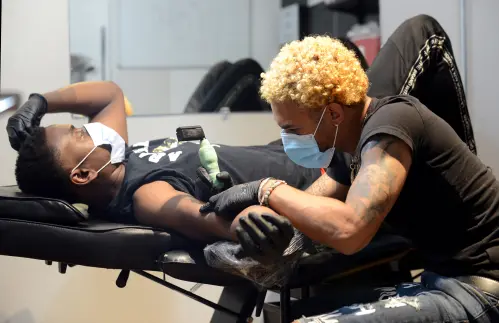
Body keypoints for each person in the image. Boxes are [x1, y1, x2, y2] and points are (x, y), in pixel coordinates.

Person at [200, 15, 499, 322]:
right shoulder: (350, 151)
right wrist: (250, 224)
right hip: (439, 282)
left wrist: (266, 189)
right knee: (280, 315)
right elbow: (305, 213)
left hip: (481, 291)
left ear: (333, 113)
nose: (287, 139)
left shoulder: (392, 125)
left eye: (292, 129)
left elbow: (350, 230)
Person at [7, 81, 328, 257]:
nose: (87, 129)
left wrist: (40, 102)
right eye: (77, 134)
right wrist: (244, 224)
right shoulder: (145, 195)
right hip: (317, 183)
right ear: (82, 174)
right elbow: (197, 217)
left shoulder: (119, 156)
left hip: (298, 150)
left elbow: (110, 95)